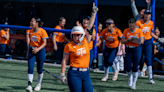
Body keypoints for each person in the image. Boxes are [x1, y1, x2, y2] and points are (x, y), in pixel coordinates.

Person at [60, 3, 98, 92]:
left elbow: (89, 26)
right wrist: (62, 74)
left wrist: (93, 14)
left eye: (78, 35)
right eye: (74, 35)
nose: (76, 37)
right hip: (74, 73)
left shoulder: (86, 40)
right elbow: (64, 61)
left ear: (82, 35)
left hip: (86, 73)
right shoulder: (69, 46)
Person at [136, 10, 164, 84]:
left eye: (149, 15)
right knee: (138, 57)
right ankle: (137, 72)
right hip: (140, 42)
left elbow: (151, 33)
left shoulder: (151, 23)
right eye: (146, 15)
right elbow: (136, 32)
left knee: (149, 59)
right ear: (143, 15)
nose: (147, 16)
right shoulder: (138, 22)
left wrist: (158, 38)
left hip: (148, 42)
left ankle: (150, 78)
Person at [26, 17, 48, 92]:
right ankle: (29, 85)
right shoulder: (30, 31)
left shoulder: (42, 31)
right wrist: (28, 51)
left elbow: (45, 43)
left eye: (32, 21)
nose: (31, 23)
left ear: (37, 23)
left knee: (39, 69)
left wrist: (37, 49)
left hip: (40, 51)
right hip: (32, 50)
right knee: (30, 68)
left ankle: (39, 84)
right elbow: (30, 43)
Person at [121, 18, 144, 90]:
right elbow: (122, 41)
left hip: (137, 49)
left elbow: (142, 40)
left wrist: (138, 40)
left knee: (135, 66)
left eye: (133, 26)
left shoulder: (139, 30)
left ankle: (134, 83)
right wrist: (128, 40)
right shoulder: (126, 31)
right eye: (130, 26)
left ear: (135, 25)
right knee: (127, 67)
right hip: (128, 49)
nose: (132, 27)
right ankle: (129, 78)